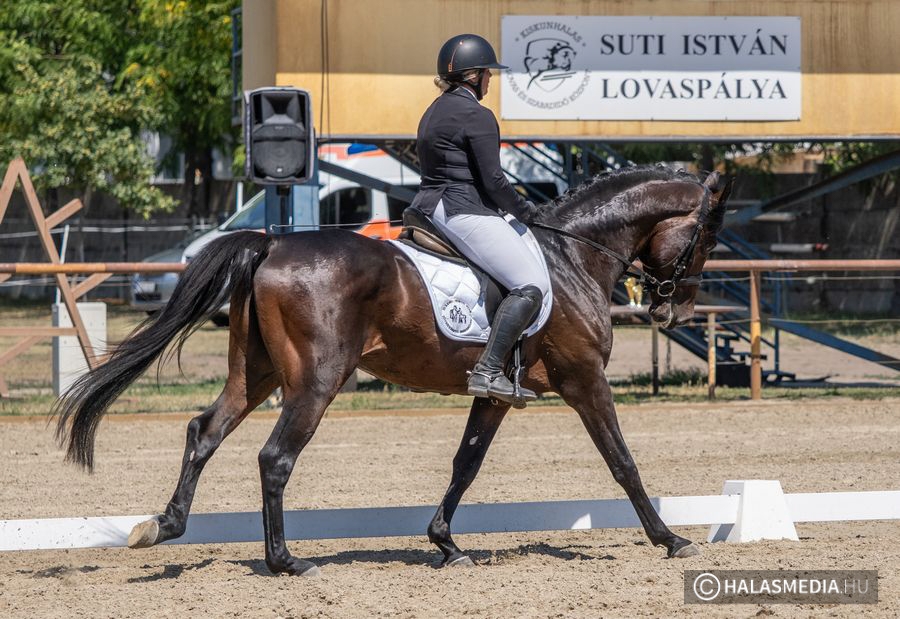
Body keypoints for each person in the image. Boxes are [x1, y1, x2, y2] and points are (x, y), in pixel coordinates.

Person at [406, 33, 551, 404]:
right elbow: (494, 181)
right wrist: (526, 212)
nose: (491, 80)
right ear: (474, 76)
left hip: (428, 208)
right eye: (489, 74)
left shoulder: (433, 111)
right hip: (462, 209)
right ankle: (488, 370)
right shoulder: (477, 115)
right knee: (531, 284)